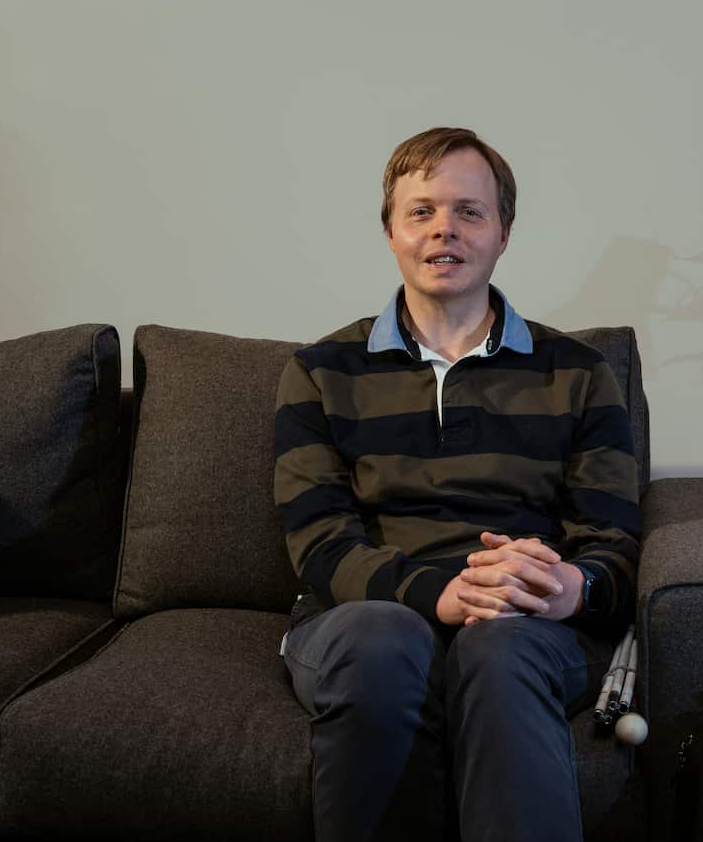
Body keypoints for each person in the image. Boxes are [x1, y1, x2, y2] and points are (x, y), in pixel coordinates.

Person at [273, 127, 641, 842]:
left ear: (503, 233)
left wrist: (573, 585)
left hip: (520, 623)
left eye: (470, 211)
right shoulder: (321, 370)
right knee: (384, 641)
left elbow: (614, 544)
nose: (445, 228)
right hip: (368, 618)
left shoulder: (581, 372)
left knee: (498, 650)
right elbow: (317, 540)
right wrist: (434, 595)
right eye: (422, 211)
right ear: (390, 232)